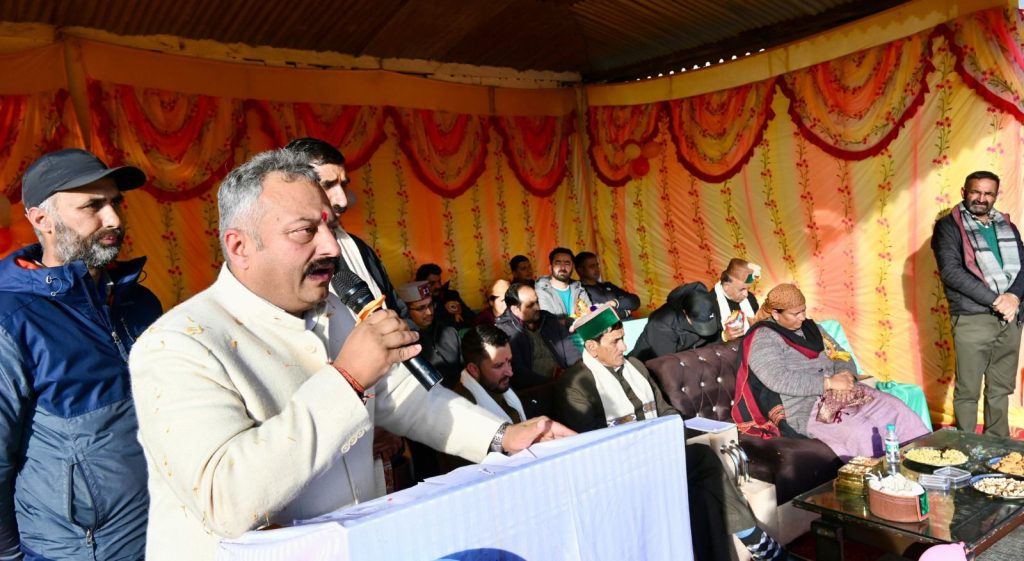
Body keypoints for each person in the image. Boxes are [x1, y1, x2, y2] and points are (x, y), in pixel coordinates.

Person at [128, 149, 572, 561]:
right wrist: (347, 379)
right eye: (306, 231)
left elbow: (406, 399)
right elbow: (223, 500)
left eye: (330, 227)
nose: (332, 247)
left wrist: (500, 436)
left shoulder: (336, 312)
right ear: (240, 246)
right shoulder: (177, 344)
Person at [0, 149, 162, 560]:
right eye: (93, 205)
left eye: (115, 203)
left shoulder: (140, 303)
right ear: (42, 219)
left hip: (167, 536)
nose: (114, 219)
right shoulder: (12, 319)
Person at [552, 304, 788, 561]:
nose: (624, 347)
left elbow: (665, 411)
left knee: (704, 482)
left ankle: (752, 543)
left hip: (657, 454)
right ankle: (757, 542)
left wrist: (669, 436)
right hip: (619, 471)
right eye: (615, 342)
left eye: (623, 339)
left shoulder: (635, 367)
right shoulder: (576, 384)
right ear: (591, 347)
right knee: (703, 465)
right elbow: (594, 446)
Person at [731, 283, 929, 459]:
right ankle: (882, 481)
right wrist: (828, 383)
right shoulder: (763, 337)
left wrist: (845, 375)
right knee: (861, 432)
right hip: (806, 405)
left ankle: (923, 464)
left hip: (845, 390)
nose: (802, 317)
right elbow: (778, 379)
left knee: (897, 409)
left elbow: (842, 355)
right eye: (795, 314)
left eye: (803, 310)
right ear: (775, 313)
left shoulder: (813, 328)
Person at [932, 171, 1024, 436]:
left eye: (988, 194)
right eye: (976, 192)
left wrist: (1013, 297)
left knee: (1000, 389)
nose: (981, 199)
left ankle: (998, 444)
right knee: (968, 390)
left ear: (996, 196)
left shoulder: (1007, 226)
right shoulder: (948, 227)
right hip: (973, 317)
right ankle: (967, 446)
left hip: (1010, 317)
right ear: (964, 192)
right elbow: (951, 272)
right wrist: (997, 300)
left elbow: (1023, 266)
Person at [284, 137, 407, 318]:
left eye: (343, 184)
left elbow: (398, 311)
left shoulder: (360, 249)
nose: (343, 201)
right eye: (327, 185)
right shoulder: (278, 256)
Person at [495, 282, 581, 390]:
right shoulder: (505, 332)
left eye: (537, 302)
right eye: (530, 305)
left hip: (566, 382)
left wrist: (577, 373)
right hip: (536, 390)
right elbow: (519, 374)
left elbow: (571, 352)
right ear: (515, 310)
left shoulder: (548, 319)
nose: (537, 307)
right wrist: (556, 383)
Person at [629, 282, 724, 362]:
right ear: (685, 313)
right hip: (646, 365)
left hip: (685, 358)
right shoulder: (661, 324)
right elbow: (667, 364)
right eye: (699, 323)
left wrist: (724, 336)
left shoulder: (707, 306)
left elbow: (713, 339)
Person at [398, 281, 462, 388]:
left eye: (430, 305)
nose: (429, 312)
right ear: (406, 311)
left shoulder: (450, 332)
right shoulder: (406, 345)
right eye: (420, 308)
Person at [575, 251, 641, 319]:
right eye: (592, 266)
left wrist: (614, 303)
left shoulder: (607, 286)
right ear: (581, 270)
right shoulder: (580, 291)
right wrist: (625, 313)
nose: (597, 269)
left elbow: (635, 301)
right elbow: (599, 315)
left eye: (597, 265)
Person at [534, 247, 591, 320]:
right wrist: (577, 316)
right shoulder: (541, 290)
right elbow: (551, 321)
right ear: (550, 268)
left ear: (572, 267)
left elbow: (589, 316)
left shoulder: (579, 288)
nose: (563, 267)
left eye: (567, 263)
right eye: (558, 263)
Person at [415, 263, 475, 329]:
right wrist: (444, 309)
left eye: (439, 281)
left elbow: (472, 318)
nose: (438, 286)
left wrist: (460, 310)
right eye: (432, 283)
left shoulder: (452, 294)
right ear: (421, 285)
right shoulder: (417, 302)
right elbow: (430, 326)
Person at [713, 258, 761, 338]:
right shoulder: (709, 303)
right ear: (726, 287)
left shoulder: (751, 298)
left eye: (748, 289)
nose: (746, 294)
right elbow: (703, 339)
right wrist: (724, 336)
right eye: (742, 289)